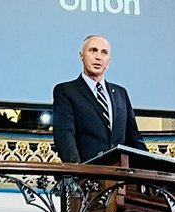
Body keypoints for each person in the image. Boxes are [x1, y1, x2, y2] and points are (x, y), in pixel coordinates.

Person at [52, 34, 147, 162]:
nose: (98, 57)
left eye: (104, 53)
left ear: (109, 61)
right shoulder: (66, 91)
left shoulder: (121, 93)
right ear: (81, 55)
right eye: (93, 50)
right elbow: (65, 137)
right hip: (87, 176)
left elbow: (134, 138)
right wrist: (77, 174)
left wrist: (153, 169)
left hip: (120, 176)